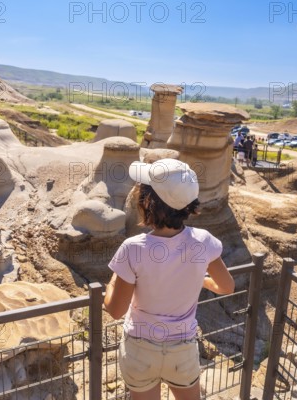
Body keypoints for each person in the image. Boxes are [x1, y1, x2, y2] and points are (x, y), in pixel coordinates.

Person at [104, 159, 235, 400]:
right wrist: (203, 281)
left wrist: (113, 281)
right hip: (182, 349)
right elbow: (227, 286)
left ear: (147, 202)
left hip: (140, 348)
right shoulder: (203, 241)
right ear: (188, 204)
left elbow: (114, 310)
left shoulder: (133, 248)